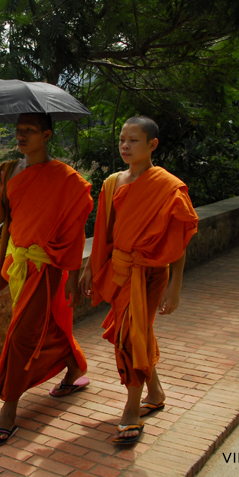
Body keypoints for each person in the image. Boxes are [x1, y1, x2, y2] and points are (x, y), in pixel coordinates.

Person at [79, 115, 198, 445]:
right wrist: (91, 268)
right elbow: (104, 232)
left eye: (133, 140)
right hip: (119, 271)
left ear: (152, 145)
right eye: (122, 140)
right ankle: (155, 392)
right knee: (137, 334)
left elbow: (178, 241)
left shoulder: (168, 187)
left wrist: (175, 286)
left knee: (131, 337)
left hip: (149, 273)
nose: (126, 146)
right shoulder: (113, 182)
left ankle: (132, 408)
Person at [0, 112, 94, 447]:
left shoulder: (67, 179)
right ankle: (74, 368)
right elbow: (1, 219)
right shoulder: (7, 170)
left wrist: (73, 276)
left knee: (21, 335)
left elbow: (75, 233)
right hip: (18, 262)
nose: (21, 136)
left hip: (47, 265)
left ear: (46, 135)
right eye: (18, 131)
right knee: (43, 326)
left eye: (29, 131)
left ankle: (9, 409)